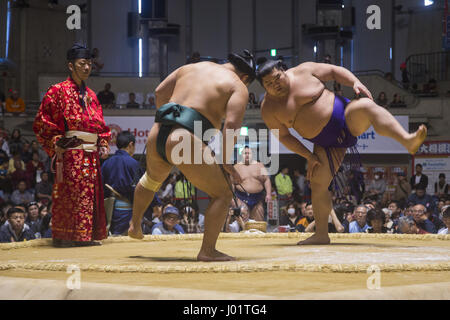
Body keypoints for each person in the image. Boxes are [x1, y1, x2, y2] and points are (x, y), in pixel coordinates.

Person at [257, 59, 426, 245]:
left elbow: (334, 71)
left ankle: (407, 140)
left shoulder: (304, 70)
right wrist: (309, 155)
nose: (275, 85)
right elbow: (284, 136)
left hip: (347, 116)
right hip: (325, 144)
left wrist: (355, 82)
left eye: (277, 78)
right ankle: (321, 234)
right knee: (318, 185)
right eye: (269, 84)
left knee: (367, 106)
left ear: (283, 70)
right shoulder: (268, 109)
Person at [128, 50, 256, 262]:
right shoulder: (237, 85)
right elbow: (231, 126)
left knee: (151, 180)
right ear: (246, 78)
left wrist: (170, 120)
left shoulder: (190, 67)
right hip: (186, 138)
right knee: (224, 193)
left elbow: (159, 91)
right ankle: (208, 251)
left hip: (158, 132)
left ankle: (135, 225)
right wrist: (226, 162)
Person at [32, 43, 111, 247]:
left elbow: (101, 126)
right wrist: (56, 141)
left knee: (89, 195)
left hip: (91, 155)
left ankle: (84, 237)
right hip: (70, 153)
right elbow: (42, 121)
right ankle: (65, 236)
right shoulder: (57, 91)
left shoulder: (92, 96)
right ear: (71, 65)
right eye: (82, 63)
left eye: (89, 64)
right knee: (70, 195)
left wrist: (103, 142)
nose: (87, 67)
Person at [101, 131, 159, 235]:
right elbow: (146, 186)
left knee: (113, 238)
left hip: (108, 209)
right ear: (131, 144)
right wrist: (156, 204)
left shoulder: (106, 163)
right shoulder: (133, 164)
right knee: (127, 241)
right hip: (126, 210)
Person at [233, 146, 271, 221]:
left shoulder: (260, 165)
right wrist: (232, 198)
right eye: (245, 153)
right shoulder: (236, 167)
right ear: (241, 154)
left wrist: (268, 194)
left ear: (252, 154)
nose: (247, 155)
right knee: (242, 221)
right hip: (241, 197)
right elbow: (231, 184)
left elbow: (266, 180)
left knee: (258, 221)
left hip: (257, 197)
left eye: (249, 153)